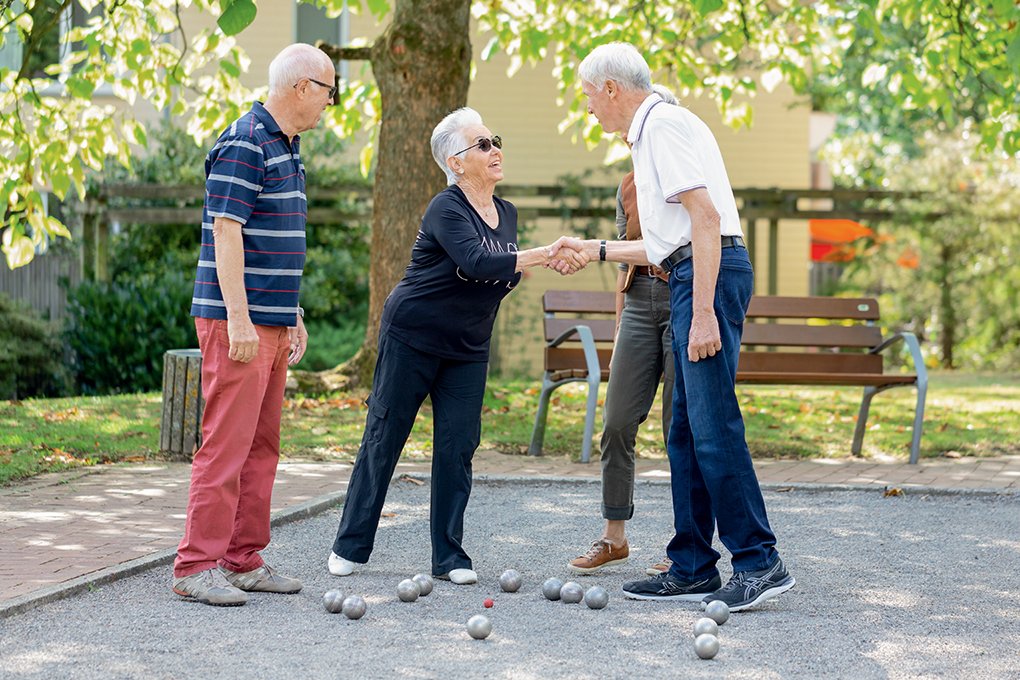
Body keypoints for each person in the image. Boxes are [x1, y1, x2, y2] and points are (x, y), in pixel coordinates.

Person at [557, 42, 796, 612]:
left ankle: (760, 560)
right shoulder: (655, 128)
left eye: (590, 97)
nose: (589, 109)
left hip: (705, 276)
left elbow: (706, 219)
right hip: (691, 267)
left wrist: (705, 309)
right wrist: (593, 249)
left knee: (712, 425)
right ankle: (691, 565)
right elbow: (666, 239)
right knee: (685, 431)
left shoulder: (660, 126)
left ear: (612, 88)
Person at [327, 107, 584, 584]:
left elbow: (500, 272)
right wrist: (541, 256)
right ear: (456, 160)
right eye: (482, 144)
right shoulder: (445, 207)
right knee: (385, 437)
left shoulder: (506, 212)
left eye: (495, 140)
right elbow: (478, 260)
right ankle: (351, 545)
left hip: (467, 345)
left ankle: (449, 558)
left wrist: (542, 263)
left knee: (458, 445)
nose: (495, 150)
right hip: (413, 335)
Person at [173, 43, 335, 606]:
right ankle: (195, 566)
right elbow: (226, 230)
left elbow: (275, 241)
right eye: (328, 91)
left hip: (271, 322)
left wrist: (291, 313)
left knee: (262, 446)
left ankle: (242, 559)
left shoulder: (287, 148)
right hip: (234, 322)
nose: (329, 104)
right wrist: (240, 318)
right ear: (301, 87)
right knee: (226, 445)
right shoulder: (246, 140)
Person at [567, 84, 679, 577]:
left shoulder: (686, 172)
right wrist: (618, 324)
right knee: (616, 421)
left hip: (680, 296)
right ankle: (614, 536)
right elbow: (624, 255)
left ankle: (688, 544)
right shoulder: (627, 186)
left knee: (683, 427)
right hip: (638, 301)